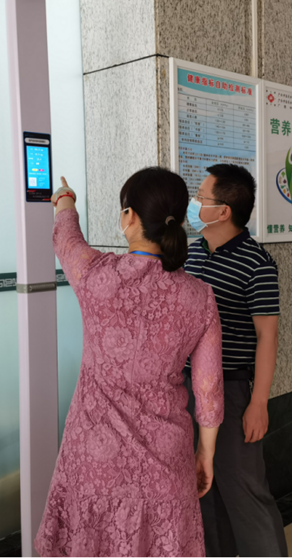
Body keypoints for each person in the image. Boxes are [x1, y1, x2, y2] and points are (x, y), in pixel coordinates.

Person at [35, 169, 224, 557]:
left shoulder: (96, 276)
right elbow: (208, 389)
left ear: (129, 217)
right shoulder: (199, 296)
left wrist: (65, 198)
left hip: (94, 462)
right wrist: (205, 454)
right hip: (167, 463)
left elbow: (66, 239)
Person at [183, 164, 288, 557]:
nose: (194, 204)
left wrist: (258, 402)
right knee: (203, 487)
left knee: (245, 489)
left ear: (223, 211)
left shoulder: (256, 263)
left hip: (230, 391)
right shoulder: (192, 252)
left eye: (201, 198)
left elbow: (267, 336)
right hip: (188, 386)